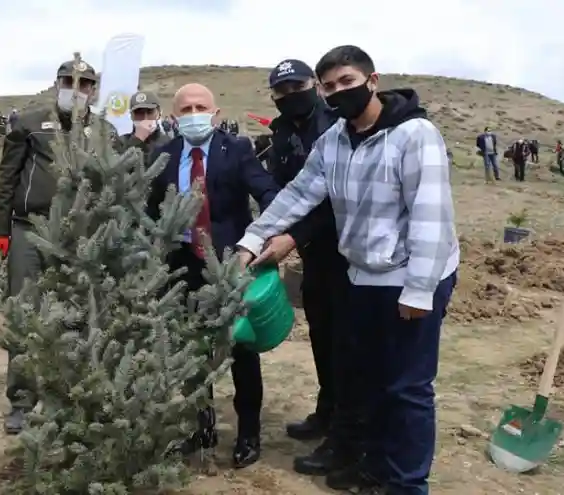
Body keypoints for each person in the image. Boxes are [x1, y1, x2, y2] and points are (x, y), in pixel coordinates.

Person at [237, 46, 458, 494]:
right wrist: (252, 239)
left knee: (407, 388)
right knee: (368, 380)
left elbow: (431, 216)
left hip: (412, 277)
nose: (340, 92)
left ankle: (406, 484)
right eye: (331, 86)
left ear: (372, 80)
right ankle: (372, 468)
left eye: (348, 82)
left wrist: (418, 291)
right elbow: (298, 195)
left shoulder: (415, 135)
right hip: (361, 275)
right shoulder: (334, 139)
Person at [147, 83, 279, 468]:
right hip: (182, 267)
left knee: (241, 350)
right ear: (173, 118)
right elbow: (150, 210)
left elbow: (267, 193)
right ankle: (199, 426)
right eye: (185, 108)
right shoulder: (164, 156)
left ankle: (248, 434)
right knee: (191, 350)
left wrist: (261, 240)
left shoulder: (235, 150)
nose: (193, 113)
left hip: (231, 265)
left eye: (200, 106)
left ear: (216, 113)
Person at [0, 57, 117, 435]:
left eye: (84, 84)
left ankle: (72, 395)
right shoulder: (28, 124)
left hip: (79, 235)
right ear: (57, 83)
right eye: (68, 81)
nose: (75, 89)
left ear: (93, 90)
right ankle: (22, 402)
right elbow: (7, 179)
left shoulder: (103, 131)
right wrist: (0, 231)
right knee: (25, 314)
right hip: (30, 228)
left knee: (78, 315)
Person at [264, 58, 359, 476]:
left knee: (346, 341)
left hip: (346, 251)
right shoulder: (282, 131)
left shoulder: (336, 126)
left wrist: (292, 236)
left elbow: (331, 199)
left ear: (315, 86)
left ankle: (344, 429)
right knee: (321, 331)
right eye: (281, 92)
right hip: (312, 255)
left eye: (297, 86)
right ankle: (326, 410)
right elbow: (287, 189)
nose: (290, 96)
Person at [115, 91, 170, 166]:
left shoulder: (168, 142)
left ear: (159, 113)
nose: (145, 118)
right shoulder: (121, 142)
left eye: (150, 112)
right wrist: (137, 140)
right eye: (139, 113)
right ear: (131, 116)